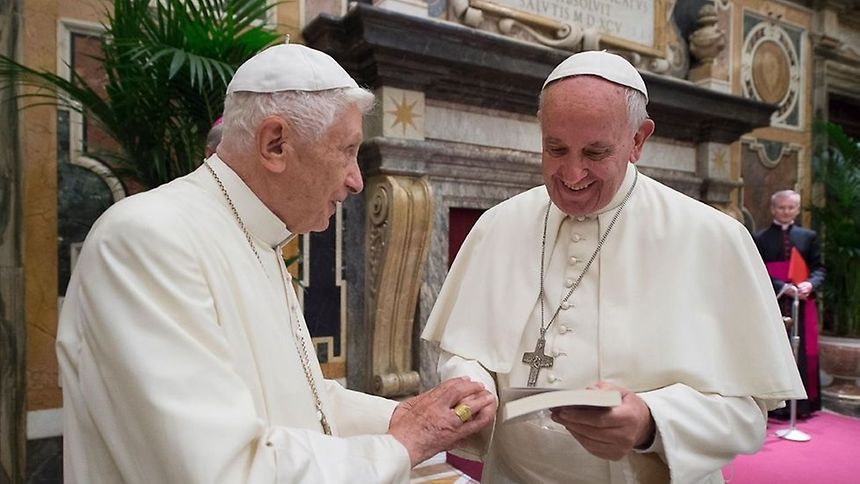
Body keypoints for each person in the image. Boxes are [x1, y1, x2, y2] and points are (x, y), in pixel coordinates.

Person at [56, 44, 495, 483]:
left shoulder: (258, 238)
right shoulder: (148, 239)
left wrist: (408, 414)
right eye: (346, 151)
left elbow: (307, 401)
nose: (356, 180)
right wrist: (405, 441)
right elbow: (220, 467)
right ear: (275, 144)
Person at [422, 50, 805, 483]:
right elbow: (465, 352)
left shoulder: (712, 237)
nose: (571, 173)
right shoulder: (498, 225)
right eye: (555, 148)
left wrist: (649, 422)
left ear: (638, 140)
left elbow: (746, 415)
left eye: (596, 152)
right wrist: (472, 385)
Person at [754, 190, 825, 419]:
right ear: (773, 209)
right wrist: (782, 287)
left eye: (791, 208)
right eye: (781, 207)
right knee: (775, 351)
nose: (786, 212)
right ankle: (777, 406)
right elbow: (757, 269)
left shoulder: (808, 236)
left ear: (797, 209)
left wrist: (809, 285)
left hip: (802, 303)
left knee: (802, 352)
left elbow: (819, 269)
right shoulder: (760, 237)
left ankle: (802, 407)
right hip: (773, 301)